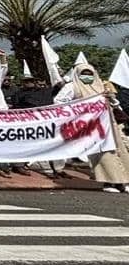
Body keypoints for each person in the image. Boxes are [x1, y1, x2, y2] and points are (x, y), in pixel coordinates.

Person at [55, 63, 129, 193]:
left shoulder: (101, 85)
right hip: (92, 126)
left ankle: (124, 181)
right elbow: (59, 102)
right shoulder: (72, 87)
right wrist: (80, 108)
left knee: (119, 151)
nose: (87, 76)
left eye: (90, 74)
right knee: (102, 154)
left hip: (109, 124)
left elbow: (115, 104)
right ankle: (109, 182)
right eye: (84, 74)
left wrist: (111, 98)